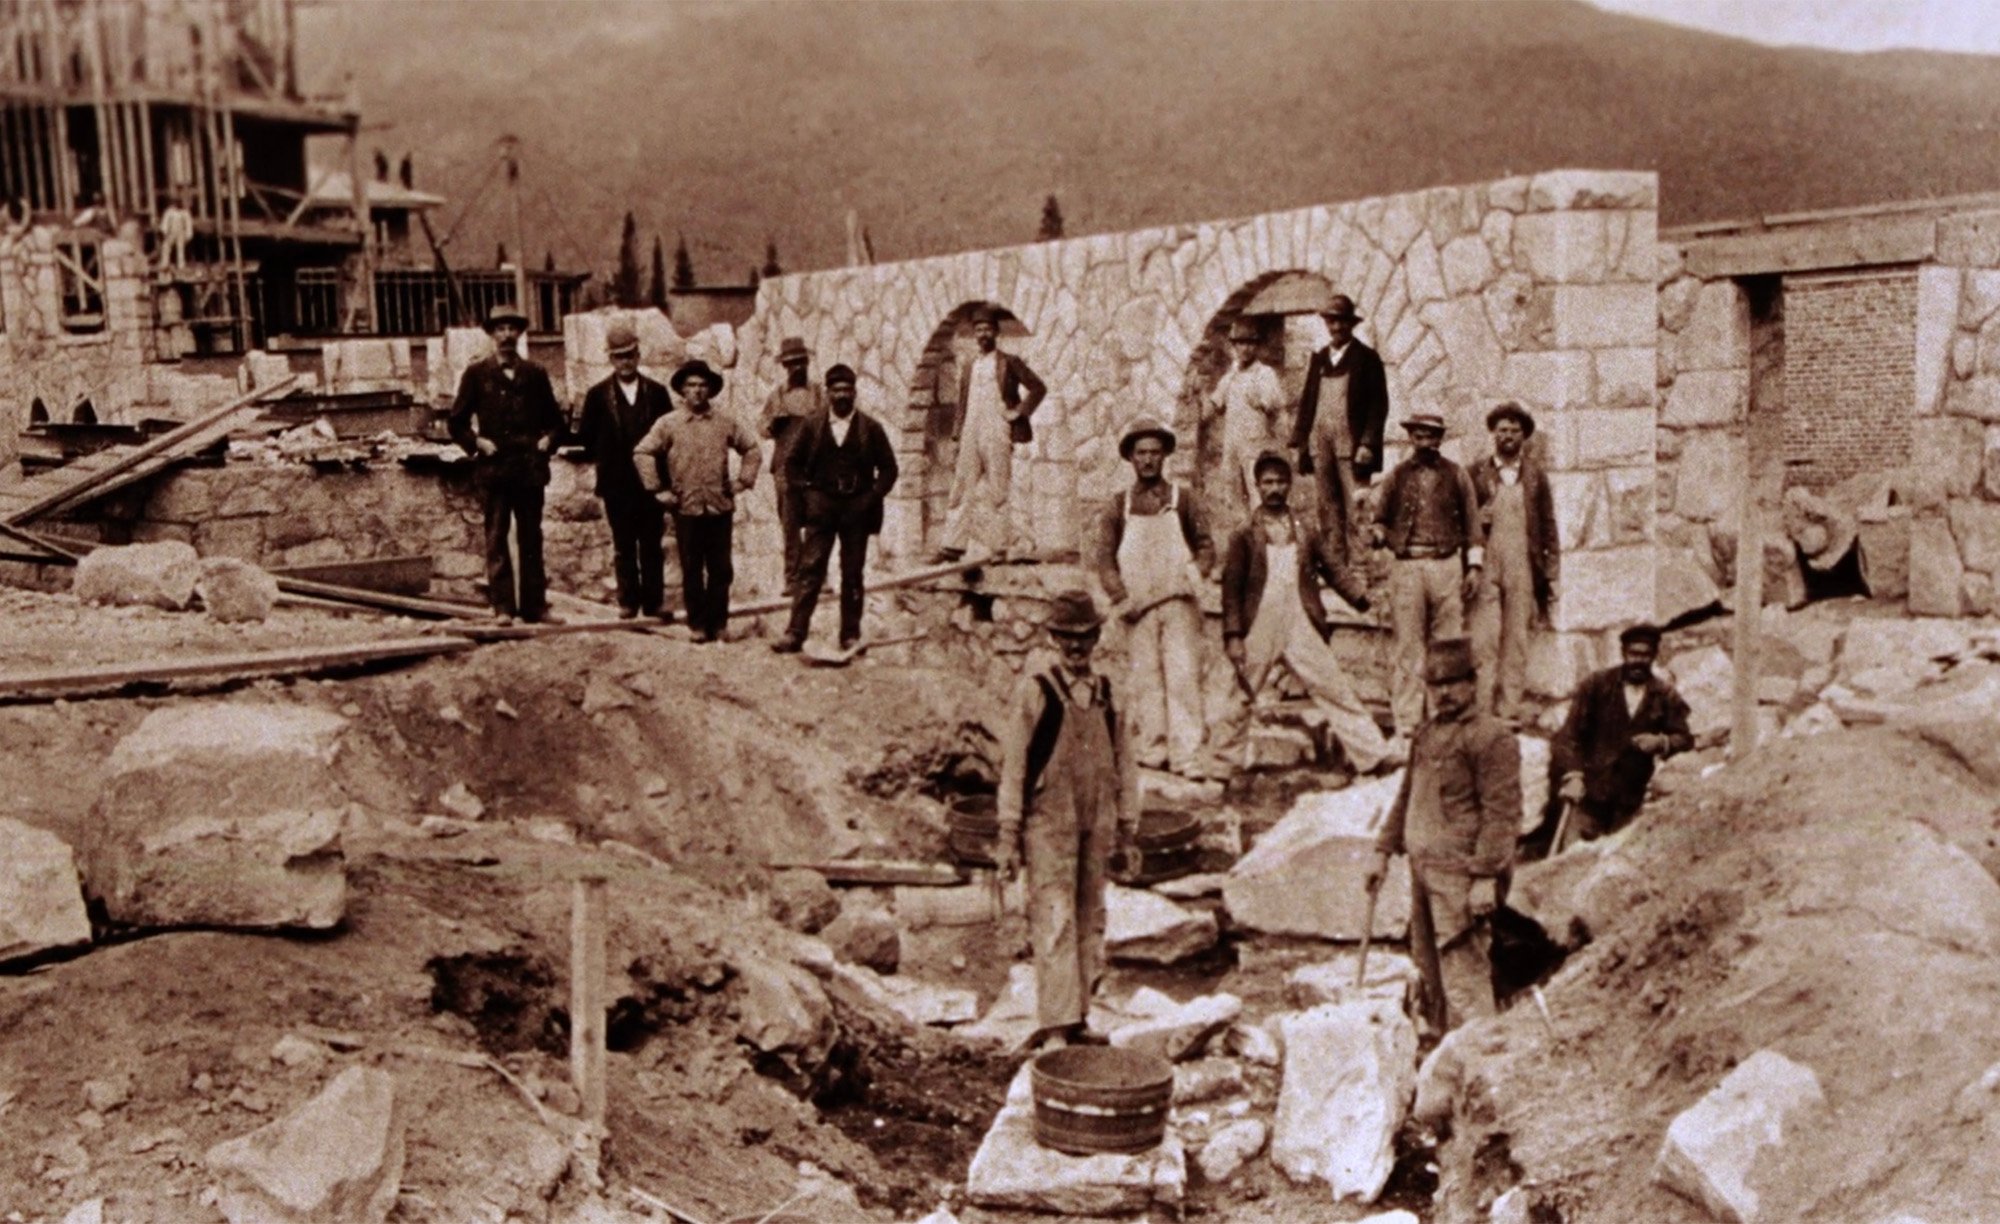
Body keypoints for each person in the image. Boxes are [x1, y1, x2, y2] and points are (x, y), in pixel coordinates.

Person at [994, 589, 1139, 1052]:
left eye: (1084, 638)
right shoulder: (1036, 691)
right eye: (1066, 639)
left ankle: (1078, 1017)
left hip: (1097, 819)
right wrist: (1008, 834)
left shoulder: (1108, 693)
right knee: (1054, 917)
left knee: (1089, 915)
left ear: (1097, 637)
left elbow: (1125, 762)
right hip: (1048, 822)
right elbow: (1014, 765)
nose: (1076, 648)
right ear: (1054, 639)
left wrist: (1128, 828)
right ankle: (1057, 1025)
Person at [1367, 638, 1521, 1035]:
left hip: (1460, 875)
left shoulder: (1492, 738)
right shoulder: (1427, 735)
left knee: (1463, 971)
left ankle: (1475, 1058)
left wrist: (1486, 875)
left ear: (1473, 682)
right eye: (1436, 686)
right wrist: (1383, 850)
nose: (1444, 693)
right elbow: (1407, 795)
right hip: (1423, 871)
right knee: (1428, 967)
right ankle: (1438, 1052)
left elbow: (1502, 814)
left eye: (1453, 683)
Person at [1222, 452, 1398, 775]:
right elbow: (1231, 591)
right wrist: (1234, 635)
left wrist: (1361, 599)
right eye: (1268, 482)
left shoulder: (1305, 530)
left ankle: (1373, 754)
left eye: (1280, 481)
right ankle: (1221, 763)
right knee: (1240, 693)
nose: (1274, 488)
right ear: (1258, 486)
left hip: (1300, 618)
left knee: (1334, 686)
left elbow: (1333, 568)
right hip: (1259, 621)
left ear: (1289, 485)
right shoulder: (1244, 534)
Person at [1096, 418, 1215, 779]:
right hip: (1138, 607)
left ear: (1165, 456)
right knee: (1145, 678)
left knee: (1182, 676)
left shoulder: (1183, 500)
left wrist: (1192, 575)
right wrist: (1120, 596)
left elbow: (1207, 547)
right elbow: (1104, 559)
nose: (1148, 460)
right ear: (1131, 458)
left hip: (1178, 604)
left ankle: (1187, 756)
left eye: (1154, 453)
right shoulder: (1119, 506)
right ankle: (1152, 750)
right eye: (1141, 453)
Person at [448, 302, 565, 623]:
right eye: (500, 329)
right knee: (497, 537)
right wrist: (477, 443)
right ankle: (502, 608)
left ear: (519, 334)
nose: (506, 335)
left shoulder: (536, 374)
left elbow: (557, 423)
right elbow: (456, 422)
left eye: (512, 329)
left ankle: (534, 607)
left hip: (529, 469)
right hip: (496, 469)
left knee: (531, 538)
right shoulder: (476, 374)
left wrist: (547, 442)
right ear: (491, 335)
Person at [1372, 412, 1484, 743]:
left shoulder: (1456, 475)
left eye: (1432, 436)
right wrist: (1377, 533)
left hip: (1446, 565)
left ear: (1440, 440)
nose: (1426, 442)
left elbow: (1473, 524)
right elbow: (1380, 518)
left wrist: (1474, 566)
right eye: (1419, 436)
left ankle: (1445, 717)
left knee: (1447, 643)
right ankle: (1407, 723)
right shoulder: (1397, 476)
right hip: (1407, 567)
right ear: (1411, 438)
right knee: (1408, 644)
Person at [773, 364, 899, 653]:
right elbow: (791, 464)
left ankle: (850, 634)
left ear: (854, 392)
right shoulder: (812, 425)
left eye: (847, 389)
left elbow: (890, 469)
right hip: (822, 509)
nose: (842, 395)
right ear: (828, 393)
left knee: (853, 572)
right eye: (836, 389)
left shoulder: (871, 428)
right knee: (810, 569)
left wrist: (872, 496)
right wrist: (807, 493)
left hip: (857, 510)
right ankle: (795, 633)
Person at [633, 359, 762, 643]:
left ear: (710, 390)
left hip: (719, 506)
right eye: (691, 385)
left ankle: (719, 624)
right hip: (687, 508)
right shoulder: (669, 423)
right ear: (682, 390)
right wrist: (657, 490)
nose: (697, 391)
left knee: (721, 569)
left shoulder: (725, 421)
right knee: (692, 569)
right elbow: (642, 452)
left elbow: (751, 448)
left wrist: (742, 481)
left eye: (703, 385)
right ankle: (698, 625)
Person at [1551, 623, 1694, 844]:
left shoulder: (1664, 694)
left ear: (1654, 656)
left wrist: (1661, 741)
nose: (1638, 660)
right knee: (1572, 864)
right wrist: (1574, 775)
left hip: (1629, 803)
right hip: (1589, 798)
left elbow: (1685, 739)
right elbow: (1568, 736)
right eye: (1633, 654)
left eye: (1645, 655)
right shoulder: (1596, 685)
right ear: (1623, 653)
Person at [574, 319, 673, 619]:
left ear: (638, 355)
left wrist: (664, 481)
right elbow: (587, 440)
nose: (625, 362)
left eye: (630, 355)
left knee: (652, 545)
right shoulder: (597, 395)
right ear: (610, 359)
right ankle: (628, 602)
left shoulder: (656, 393)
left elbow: (669, 438)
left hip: (651, 482)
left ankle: (653, 603)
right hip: (617, 484)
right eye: (619, 356)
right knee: (624, 545)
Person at [1468, 402, 1560, 723]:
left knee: (1517, 639)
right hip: (1486, 563)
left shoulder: (1535, 477)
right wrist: (1477, 519)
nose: (1508, 436)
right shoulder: (1476, 474)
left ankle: (1508, 708)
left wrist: (1551, 573)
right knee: (1485, 639)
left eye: (1514, 430)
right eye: (1502, 430)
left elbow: (1548, 526)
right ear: (1493, 434)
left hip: (1523, 564)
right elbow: (1461, 521)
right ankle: (1481, 709)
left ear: (1524, 436)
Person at [935, 304, 1046, 562]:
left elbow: (1038, 388)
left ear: (996, 333)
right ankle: (952, 545)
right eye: (978, 329)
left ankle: (999, 548)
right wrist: (956, 437)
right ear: (974, 334)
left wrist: (1019, 412)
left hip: (996, 428)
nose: (983, 334)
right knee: (962, 485)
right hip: (971, 429)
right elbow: (962, 405)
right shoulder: (970, 366)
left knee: (998, 488)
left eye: (987, 329)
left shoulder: (1009, 362)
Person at [1291, 292, 1390, 550]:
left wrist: (1368, 443)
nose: (1336, 327)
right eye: (1331, 322)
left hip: (1352, 444)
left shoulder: (1367, 358)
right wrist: (1300, 442)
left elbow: (1378, 405)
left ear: (1350, 324)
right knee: (1326, 508)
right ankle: (1336, 570)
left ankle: (1362, 569)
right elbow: (1308, 402)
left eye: (1341, 322)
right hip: (1320, 442)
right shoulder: (1320, 358)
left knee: (1356, 506)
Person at [760, 336, 830, 597]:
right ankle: (792, 579)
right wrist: (772, 426)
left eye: (800, 363)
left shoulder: (819, 394)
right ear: (784, 367)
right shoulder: (777, 396)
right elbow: (762, 428)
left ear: (807, 363)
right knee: (790, 526)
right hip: (785, 472)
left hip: (815, 469)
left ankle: (818, 578)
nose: (796, 368)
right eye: (790, 364)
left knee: (817, 523)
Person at [1209, 317, 1286, 525]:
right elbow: (1215, 404)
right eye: (1240, 344)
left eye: (1250, 343)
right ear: (1234, 346)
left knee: (1257, 494)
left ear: (1257, 346)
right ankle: (1244, 541)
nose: (1245, 349)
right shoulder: (1231, 375)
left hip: (1255, 445)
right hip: (1232, 445)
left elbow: (1274, 406)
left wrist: (1260, 401)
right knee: (1233, 495)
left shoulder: (1265, 374)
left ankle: (1263, 538)